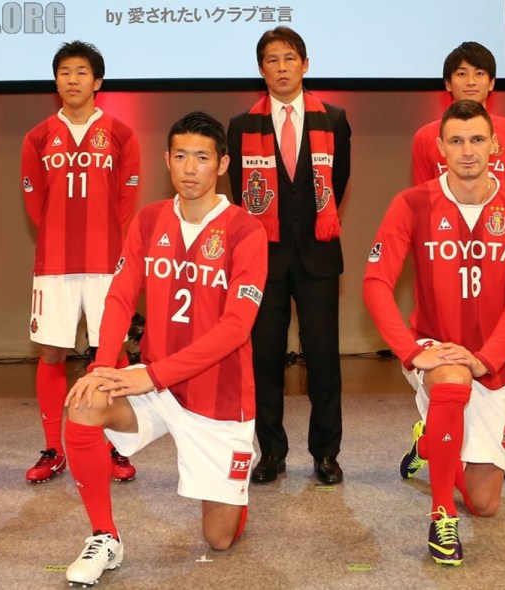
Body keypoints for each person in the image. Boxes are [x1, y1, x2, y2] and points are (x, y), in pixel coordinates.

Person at [61, 112, 267, 587]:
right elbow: (120, 295)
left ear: (223, 164)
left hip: (218, 397)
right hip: (156, 386)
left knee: (219, 539)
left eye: (202, 158)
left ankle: (235, 483)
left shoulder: (245, 230)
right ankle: (104, 536)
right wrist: (102, 364)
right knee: (86, 403)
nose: (190, 168)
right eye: (180, 156)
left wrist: (150, 375)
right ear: (167, 160)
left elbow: (236, 328)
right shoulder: (150, 219)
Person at [364, 100, 505, 565]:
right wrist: (411, 352)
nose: (468, 150)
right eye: (457, 141)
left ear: (495, 146)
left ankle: (429, 441)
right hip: (435, 348)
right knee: (451, 377)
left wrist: (487, 358)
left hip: (490, 358)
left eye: (477, 139)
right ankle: (442, 514)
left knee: (485, 504)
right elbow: (376, 283)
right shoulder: (411, 203)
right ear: (439, 148)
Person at [227, 26, 351, 485]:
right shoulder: (242, 126)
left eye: (290, 58)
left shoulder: (333, 119)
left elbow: (338, 182)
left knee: (324, 359)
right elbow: (240, 192)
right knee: (264, 360)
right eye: (272, 60)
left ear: (305, 64)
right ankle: (271, 453)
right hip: (264, 259)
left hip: (319, 256)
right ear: (261, 70)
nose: (282, 68)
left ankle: (325, 452)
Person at [406, 41, 505, 482]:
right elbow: (423, 207)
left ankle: (503, 443)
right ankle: (435, 437)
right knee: (447, 363)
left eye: (479, 73)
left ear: (493, 82)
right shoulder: (426, 137)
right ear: (447, 83)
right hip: (448, 264)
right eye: (461, 73)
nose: (471, 81)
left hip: (499, 262)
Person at [20, 41, 141, 485]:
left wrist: (100, 236)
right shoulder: (37, 136)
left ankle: (115, 447)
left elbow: (125, 198)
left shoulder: (121, 133)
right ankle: (53, 449)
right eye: (65, 72)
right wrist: (60, 234)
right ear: (56, 81)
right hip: (54, 263)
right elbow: (35, 200)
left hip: (106, 262)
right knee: (52, 352)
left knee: (111, 354)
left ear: (97, 81)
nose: (72, 79)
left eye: (81, 72)